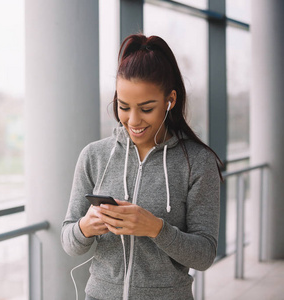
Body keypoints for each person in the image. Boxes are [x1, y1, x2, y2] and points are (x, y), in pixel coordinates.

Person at [61, 33, 223, 300]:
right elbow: (69, 241)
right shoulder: (94, 156)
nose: (133, 120)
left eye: (146, 108)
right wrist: (86, 227)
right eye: (124, 107)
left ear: (170, 100)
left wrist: (156, 228)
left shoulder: (197, 162)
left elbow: (204, 255)